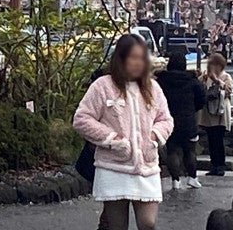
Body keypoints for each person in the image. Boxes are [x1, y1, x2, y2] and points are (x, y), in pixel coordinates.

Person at [74, 33, 172, 230]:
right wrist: (112, 139)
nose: (138, 63)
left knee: (148, 223)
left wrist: (153, 137)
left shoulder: (152, 87)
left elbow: (166, 119)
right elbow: (82, 119)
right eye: (133, 57)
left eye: (141, 58)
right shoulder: (102, 86)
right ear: (120, 58)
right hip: (113, 166)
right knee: (117, 225)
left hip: (146, 166)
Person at [156, 50, 206, 189]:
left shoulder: (162, 81)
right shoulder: (192, 81)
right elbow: (202, 100)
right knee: (190, 150)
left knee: (172, 150)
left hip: (168, 119)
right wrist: (193, 109)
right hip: (188, 120)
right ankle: (192, 177)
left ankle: (175, 180)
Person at [198, 53, 233, 177]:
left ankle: (220, 165)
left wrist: (217, 81)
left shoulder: (226, 76)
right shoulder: (205, 77)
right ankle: (214, 165)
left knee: (219, 139)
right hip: (209, 112)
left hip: (220, 112)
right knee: (211, 140)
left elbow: (228, 90)